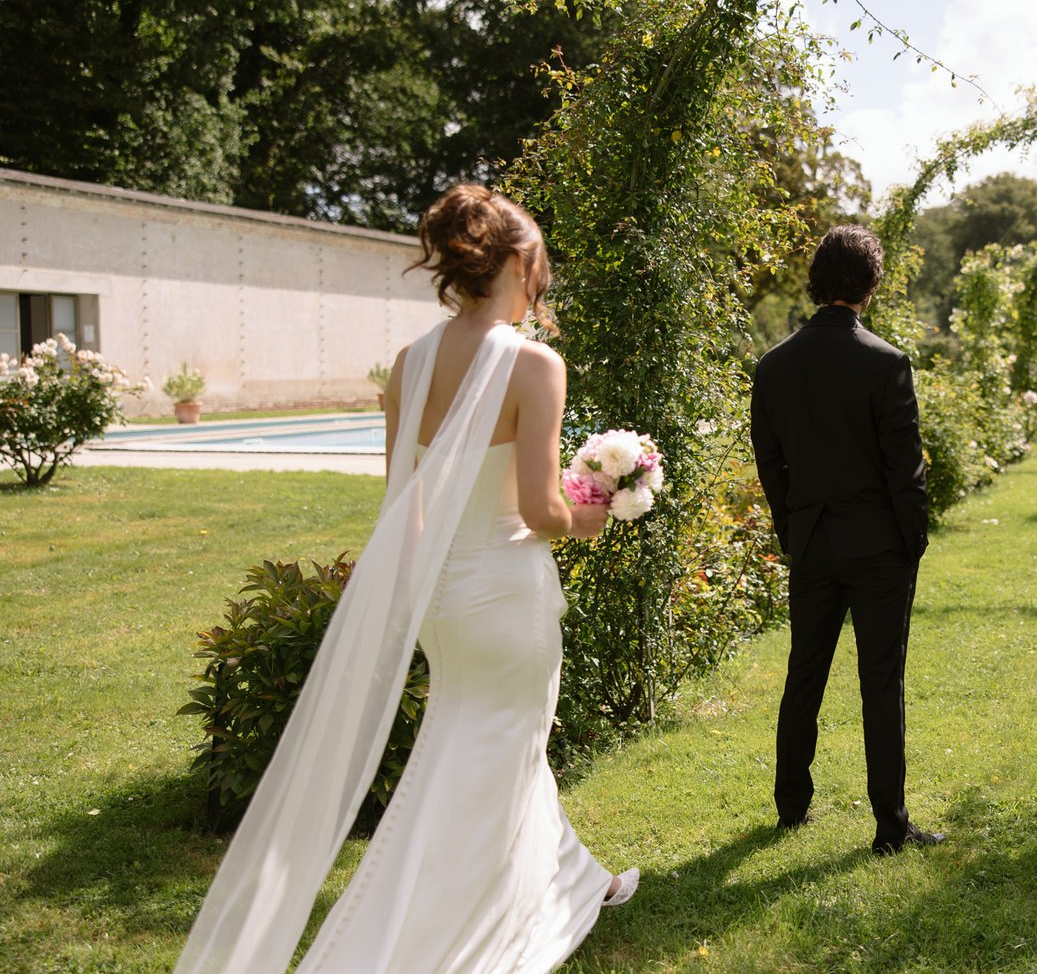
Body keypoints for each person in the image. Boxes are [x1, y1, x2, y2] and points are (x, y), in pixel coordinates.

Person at [174, 184, 636, 974]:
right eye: (541, 269)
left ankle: (573, 880)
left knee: (492, 748)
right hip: (506, 595)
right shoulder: (534, 364)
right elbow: (540, 506)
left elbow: (403, 505)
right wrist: (592, 513)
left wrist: (427, 595)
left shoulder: (410, 363)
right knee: (495, 752)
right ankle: (423, 937)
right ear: (520, 263)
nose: (542, 285)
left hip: (444, 601)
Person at [749, 224, 944, 856]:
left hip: (811, 541)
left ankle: (791, 808)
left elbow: (769, 462)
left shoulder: (773, 365)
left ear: (817, 280)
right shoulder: (885, 362)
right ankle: (891, 826)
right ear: (871, 283)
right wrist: (911, 540)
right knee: (879, 682)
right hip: (878, 547)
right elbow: (903, 467)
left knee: (803, 673)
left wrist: (792, 528)